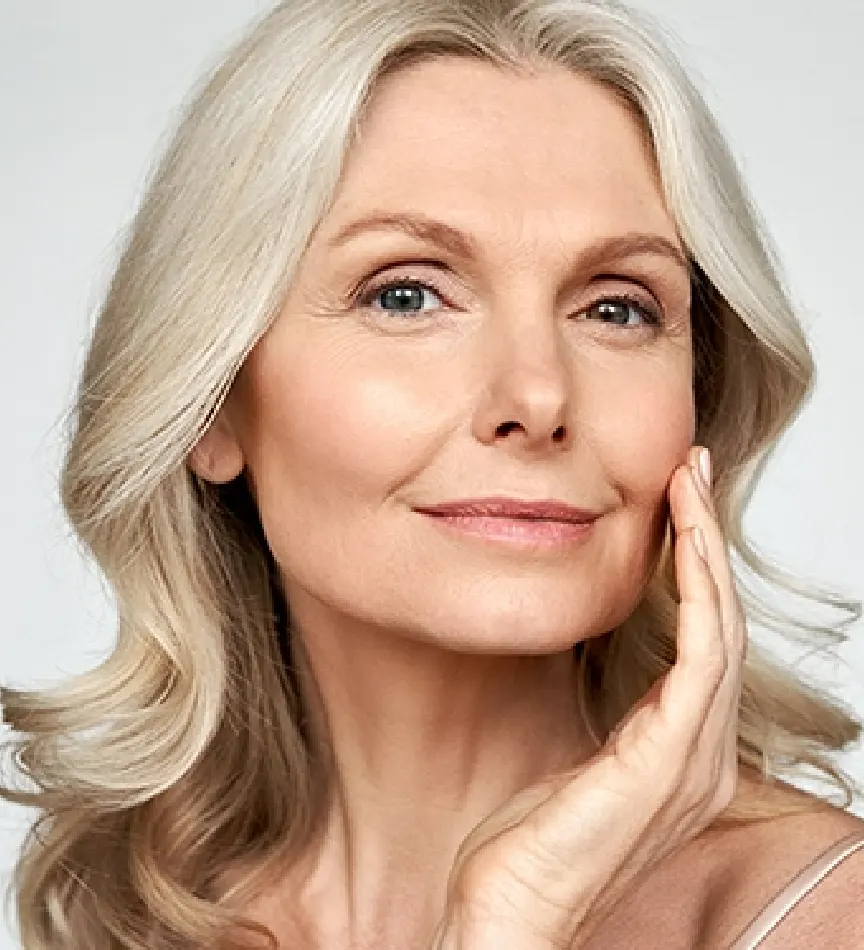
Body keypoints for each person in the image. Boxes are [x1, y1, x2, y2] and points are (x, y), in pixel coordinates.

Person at [1, 0, 863, 947]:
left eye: (617, 309)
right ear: (210, 401)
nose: (538, 395)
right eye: (407, 294)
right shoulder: (122, 913)